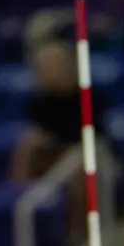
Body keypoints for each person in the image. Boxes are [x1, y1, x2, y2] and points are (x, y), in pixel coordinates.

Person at [10, 42, 84, 185]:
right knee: (27, 147)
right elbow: (40, 133)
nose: (48, 73)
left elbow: (90, 138)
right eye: (43, 69)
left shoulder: (88, 99)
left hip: (80, 156)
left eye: (54, 66)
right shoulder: (38, 103)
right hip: (51, 156)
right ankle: (21, 198)